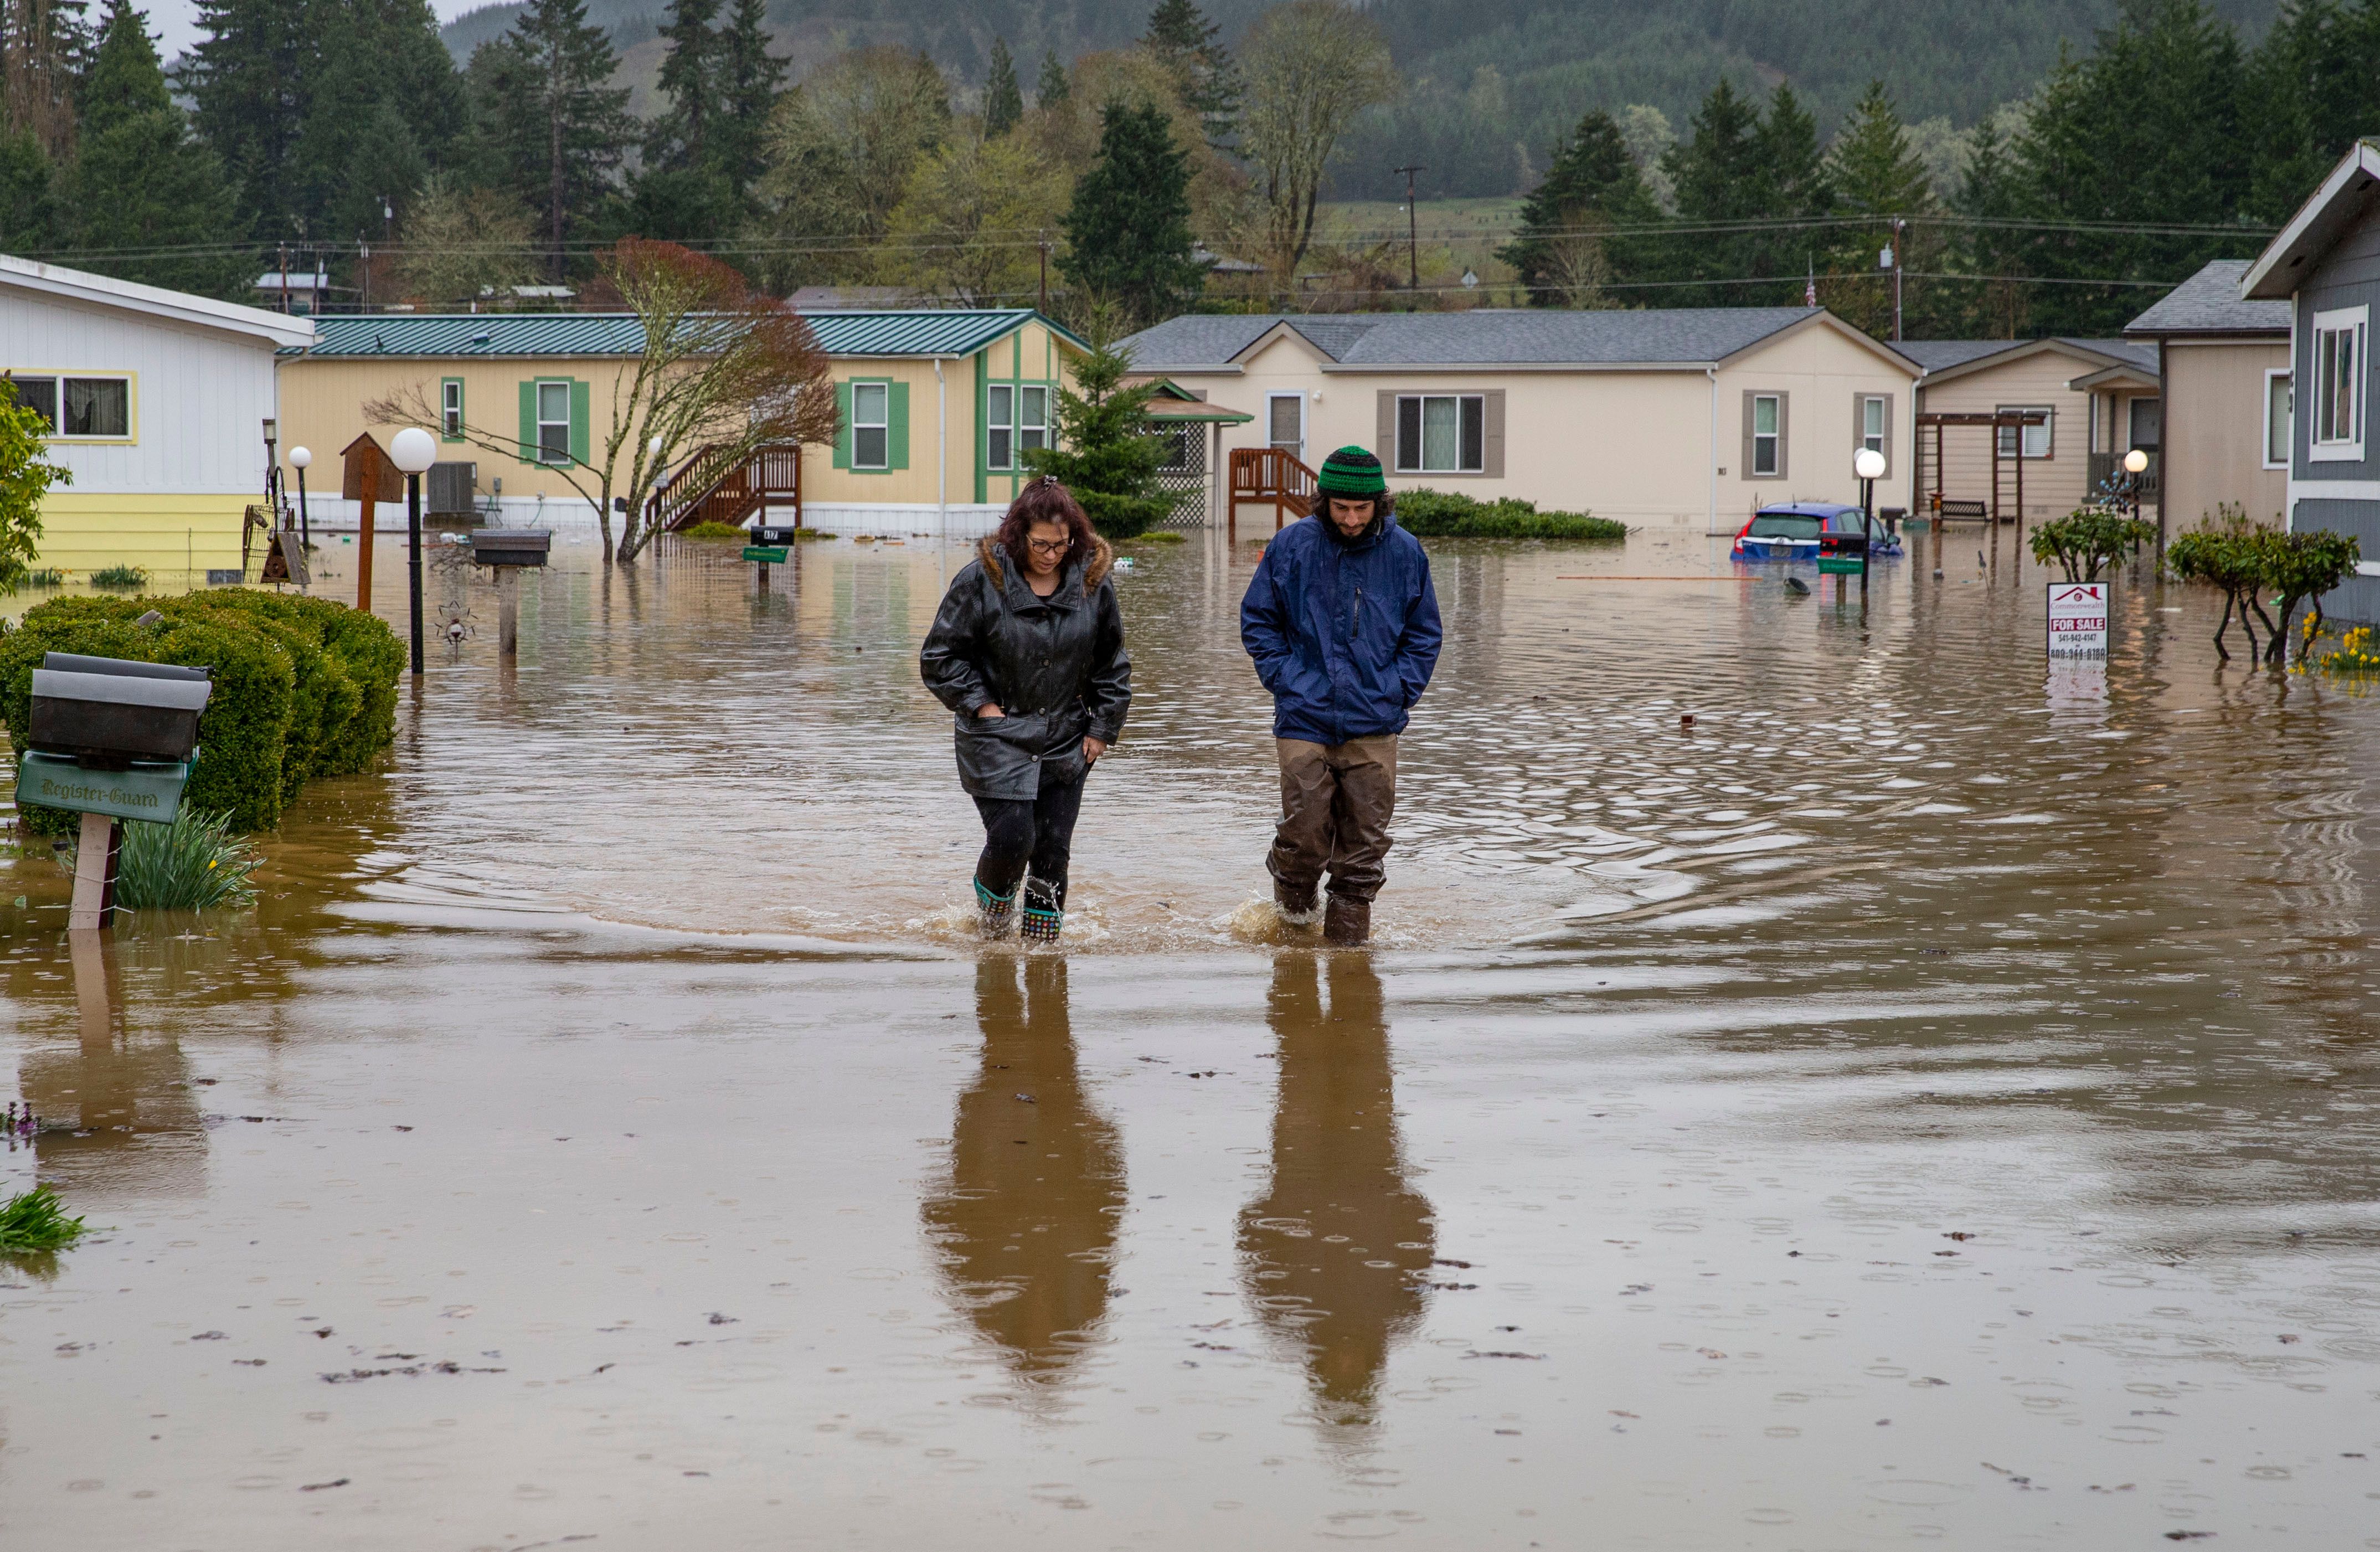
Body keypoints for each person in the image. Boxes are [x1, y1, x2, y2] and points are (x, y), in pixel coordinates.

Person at [1239, 446, 1442, 947]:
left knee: (1364, 848)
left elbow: (1424, 635)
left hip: (1376, 720)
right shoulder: (1291, 546)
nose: (1351, 519)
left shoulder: (1406, 552)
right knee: (1304, 835)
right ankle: (1292, 938)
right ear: (1324, 501)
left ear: (1380, 504)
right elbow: (1258, 621)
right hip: (1302, 716)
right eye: (1341, 508)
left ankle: (1350, 963)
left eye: (1362, 509)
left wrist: (1398, 691)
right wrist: (1286, 678)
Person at [920, 476, 1130, 943]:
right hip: (995, 735)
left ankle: (1042, 951)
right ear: (1018, 536)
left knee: (1053, 851)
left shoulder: (1094, 585)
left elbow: (1112, 664)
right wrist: (981, 706)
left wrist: (1102, 728)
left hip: (1068, 738)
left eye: (1061, 545)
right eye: (1041, 544)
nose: (1052, 554)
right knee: (1015, 838)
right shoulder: (980, 580)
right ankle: (992, 930)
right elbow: (939, 658)